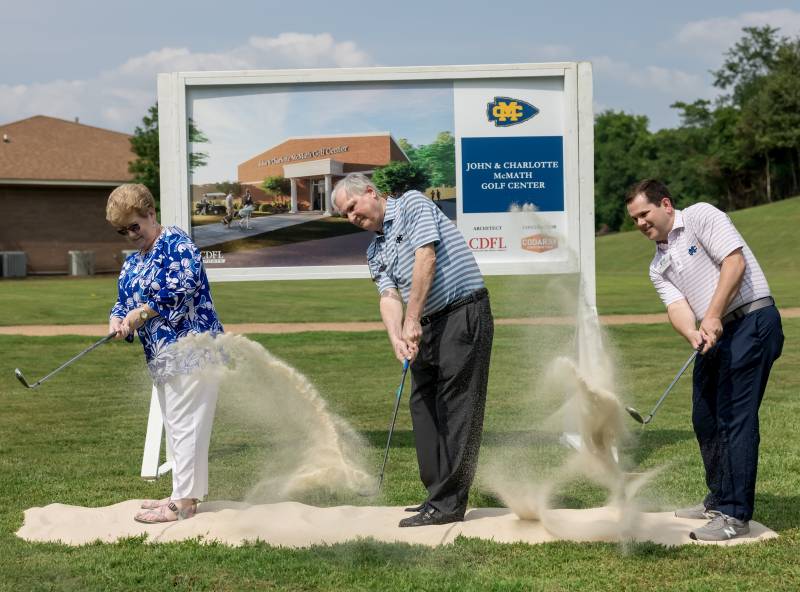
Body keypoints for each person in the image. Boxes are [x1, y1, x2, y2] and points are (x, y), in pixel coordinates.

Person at [332, 173, 494, 528]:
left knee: (457, 409)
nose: (351, 217)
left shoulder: (412, 204)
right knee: (423, 408)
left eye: (353, 207)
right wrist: (396, 336)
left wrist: (413, 318)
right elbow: (388, 296)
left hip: (462, 312)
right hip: (427, 325)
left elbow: (426, 258)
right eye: (345, 214)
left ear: (371, 193)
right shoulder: (375, 250)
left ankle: (449, 504)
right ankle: (436, 496)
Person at [625, 179, 783, 541]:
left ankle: (735, 516)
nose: (640, 224)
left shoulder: (700, 216)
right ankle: (719, 497)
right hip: (716, 335)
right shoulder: (657, 264)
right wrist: (692, 332)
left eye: (644, 214)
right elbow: (676, 306)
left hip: (752, 321)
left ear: (665, 204)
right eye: (634, 219)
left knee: (734, 417)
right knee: (705, 415)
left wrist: (711, 314)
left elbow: (734, 263)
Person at [106, 183, 224, 524]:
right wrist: (117, 318)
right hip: (162, 358)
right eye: (122, 230)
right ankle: (182, 495)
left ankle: (183, 504)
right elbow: (123, 302)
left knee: (187, 427)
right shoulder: (133, 263)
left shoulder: (176, 242)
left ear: (150, 214)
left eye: (134, 226)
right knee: (177, 427)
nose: (130, 234)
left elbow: (184, 284)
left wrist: (142, 313)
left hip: (194, 350)